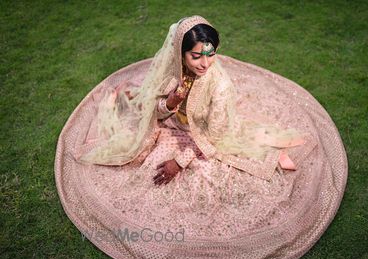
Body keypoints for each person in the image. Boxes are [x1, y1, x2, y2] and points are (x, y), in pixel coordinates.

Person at [77, 15, 314, 185]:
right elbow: (157, 110)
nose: (205, 63)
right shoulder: (175, 69)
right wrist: (169, 103)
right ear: (181, 53)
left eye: (211, 54)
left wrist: (179, 162)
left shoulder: (220, 86)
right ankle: (126, 96)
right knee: (136, 128)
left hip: (201, 131)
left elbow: (215, 136)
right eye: (196, 56)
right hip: (175, 123)